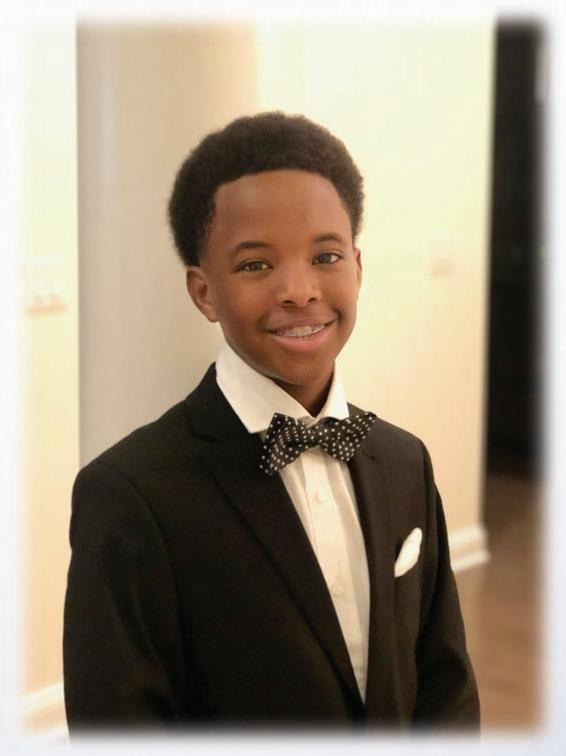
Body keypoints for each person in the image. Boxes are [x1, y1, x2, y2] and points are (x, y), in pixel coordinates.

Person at [63, 112, 480, 730]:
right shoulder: (130, 495)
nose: (299, 290)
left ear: (358, 267)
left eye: (326, 255)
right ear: (204, 292)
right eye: (256, 265)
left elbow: (445, 681)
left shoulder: (404, 460)